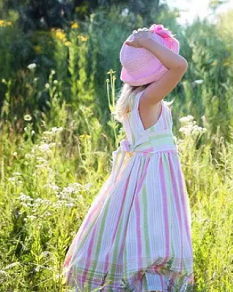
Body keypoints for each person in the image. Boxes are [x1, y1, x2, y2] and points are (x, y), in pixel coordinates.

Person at [62, 24, 194, 292]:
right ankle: (150, 278)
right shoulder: (148, 98)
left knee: (132, 224)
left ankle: (131, 270)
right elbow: (180, 66)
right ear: (157, 67)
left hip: (140, 169)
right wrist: (147, 41)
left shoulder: (136, 98)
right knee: (153, 225)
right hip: (154, 175)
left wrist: (148, 44)